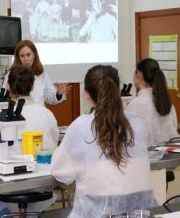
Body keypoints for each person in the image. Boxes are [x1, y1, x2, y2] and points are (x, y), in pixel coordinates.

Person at [51, 65, 157, 217]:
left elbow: (60, 173)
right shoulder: (138, 125)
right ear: (119, 91)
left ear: (86, 96)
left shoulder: (81, 126)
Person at [0, 65, 59, 217]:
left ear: (8, 86)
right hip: (43, 186)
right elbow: (54, 145)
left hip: (10, 187)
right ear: (32, 86)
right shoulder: (47, 113)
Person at [125, 58, 178, 146]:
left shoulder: (136, 104)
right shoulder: (167, 103)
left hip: (148, 156)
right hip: (170, 154)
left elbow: (128, 136)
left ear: (139, 74)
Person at [3, 40, 71, 106]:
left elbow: (50, 99)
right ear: (18, 57)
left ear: (34, 55)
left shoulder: (42, 74)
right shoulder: (11, 74)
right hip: (18, 114)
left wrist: (58, 94)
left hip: (38, 113)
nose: (26, 59)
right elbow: (4, 97)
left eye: (28, 55)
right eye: (22, 56)